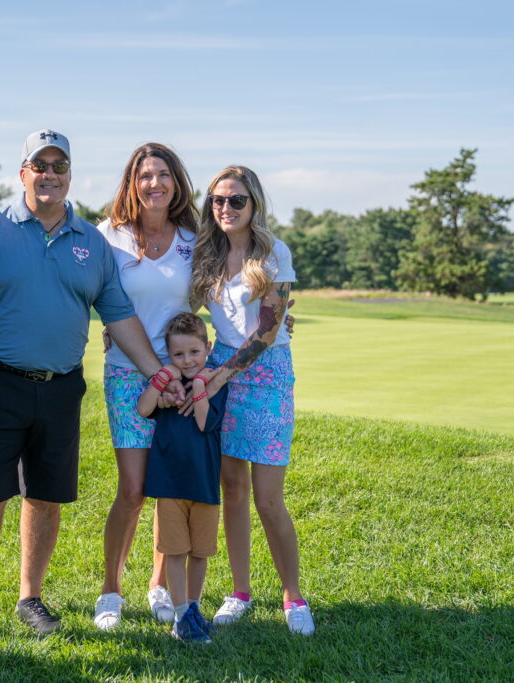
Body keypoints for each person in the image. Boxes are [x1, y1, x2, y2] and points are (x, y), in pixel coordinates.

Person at [0, 129, 166, 651]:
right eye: (39, 164)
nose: (50, 174)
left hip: (61, 389)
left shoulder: (91, 241)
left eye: (59, 165)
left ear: (70, 175)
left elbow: (120, 315)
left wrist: (159, 373)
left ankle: (30, 598)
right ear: (22, 172)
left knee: (44, 498)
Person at [189, 165, 315, 636]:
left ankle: (292, 595)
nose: (226, 208)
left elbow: (266, 331)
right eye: (218, 200)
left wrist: (220, 375)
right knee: (233, 490)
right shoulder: (206, 253)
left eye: (236, 200)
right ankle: (239, 591)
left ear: (253, 204)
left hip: (264, 377)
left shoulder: (273, 252)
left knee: (267, 498)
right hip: (221, 371)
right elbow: (183, 310)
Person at [93, 143, 199, 630]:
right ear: (131, 184)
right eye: (145, 175)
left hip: (181, 378)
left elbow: (230, 294)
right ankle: (110, 590)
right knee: (133, 489)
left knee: (168, 488)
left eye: (164, 175)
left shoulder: (196, 241)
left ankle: (159, 584)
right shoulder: (108, 237)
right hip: (126, 373)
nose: (154, 183)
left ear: (176, 183)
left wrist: (282, 316)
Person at [137, 313, 228, 643]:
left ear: (208, 347)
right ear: (168, 355)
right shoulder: (169, 386)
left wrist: (201, 385)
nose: (187, 360)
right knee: (175, 551)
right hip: (169, 483)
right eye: (178, 355)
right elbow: (144, 409)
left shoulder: (215, 382)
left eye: (194, 352)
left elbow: (204, 424)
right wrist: (164, 378)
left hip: (204, 481)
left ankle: (193, 609)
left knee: (200, 552)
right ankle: (180, 616)